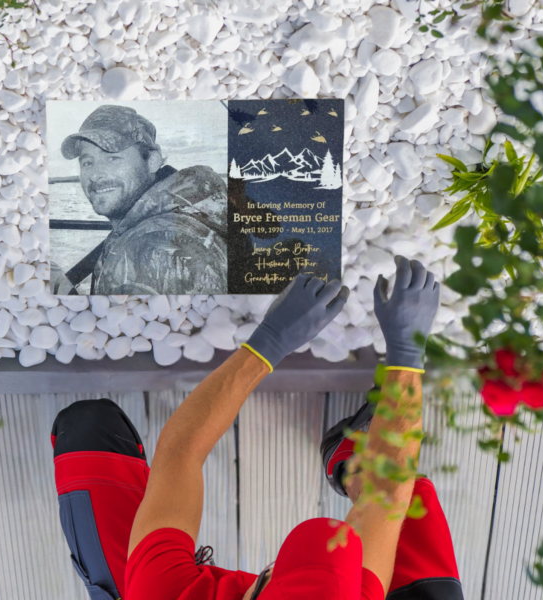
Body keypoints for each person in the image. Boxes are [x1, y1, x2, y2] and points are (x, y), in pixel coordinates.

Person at [51, 256, 463, 600]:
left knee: (85, 428)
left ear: (268, 581)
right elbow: (388, 492)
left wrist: (268, 341)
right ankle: (352, 462)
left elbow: (180, 453)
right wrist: (407, 355)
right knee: (407, 506)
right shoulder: (355, 592)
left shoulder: (164, 590)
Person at [59, 105, 229, 295]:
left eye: (112, 158)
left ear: (152, 160)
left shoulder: (150, 246)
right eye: (87, 162)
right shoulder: (187, 214)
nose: (96, 175)